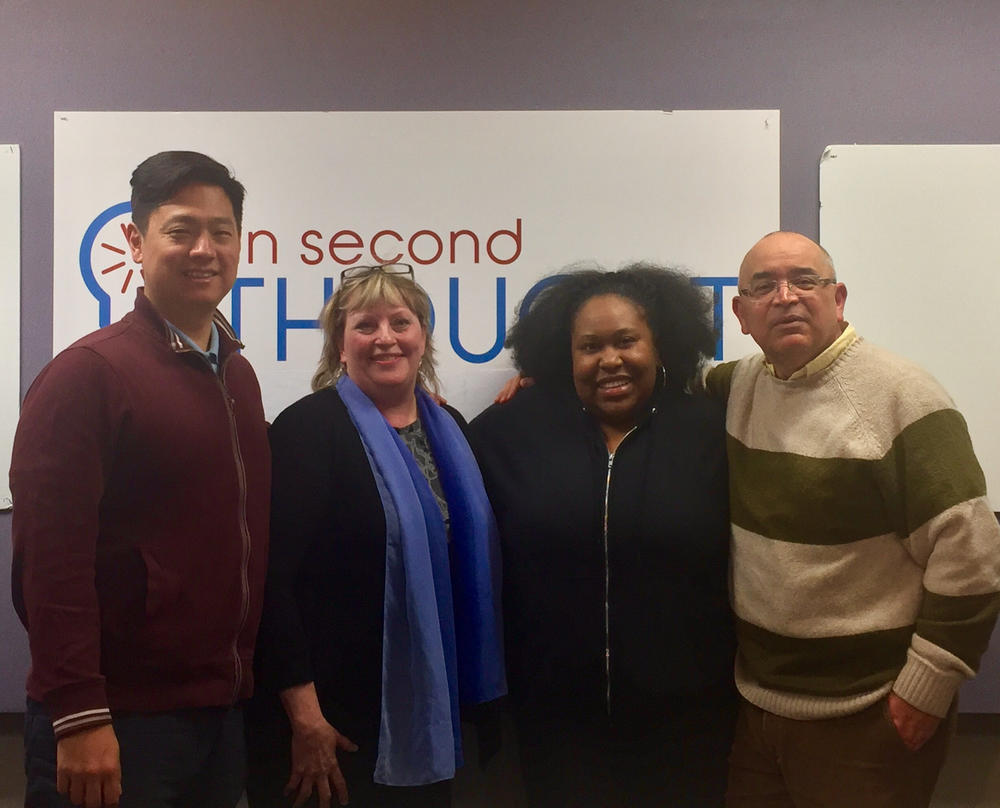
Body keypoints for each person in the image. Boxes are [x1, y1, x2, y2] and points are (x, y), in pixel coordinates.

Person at [10, 151, 271, 808]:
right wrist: (78, 712)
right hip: (118, 724)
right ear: (136, 240)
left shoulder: (237, 375)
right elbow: (49, 562)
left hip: (219, 714)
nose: (204, 249)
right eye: (181, 230)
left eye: (222, 231)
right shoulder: (89, 376)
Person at [709, 231, 1000, 807]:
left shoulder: (902, 398)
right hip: (760, 706)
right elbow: (659, 385)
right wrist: (544, 383)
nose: (786, 297)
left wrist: (924, 692)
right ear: (741, 315)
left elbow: (972, 560)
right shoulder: (741, 383)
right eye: (763, 287)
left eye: (805, 281)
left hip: (867, 717)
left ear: (838, 298)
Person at [470, 264, 736, 807]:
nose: (609, 360)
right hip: (556, 723)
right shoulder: (507, 433)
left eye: (626, 341)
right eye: (589, 346)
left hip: (689, 721)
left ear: (660, 346)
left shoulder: (715, 432)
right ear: (562, 356)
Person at [245, 263, 505, 808]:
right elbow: (271, 584)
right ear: (341, 346)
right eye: (366, 325)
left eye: (400, 322)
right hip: (332, 726)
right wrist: (306, 718)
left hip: (431, 713)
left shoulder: (451, 427)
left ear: (423, 338)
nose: (385, 338)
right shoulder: (308, 431)